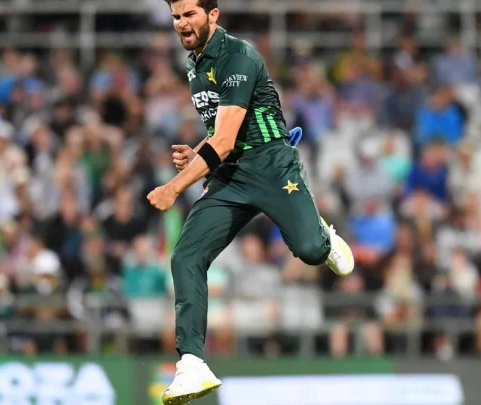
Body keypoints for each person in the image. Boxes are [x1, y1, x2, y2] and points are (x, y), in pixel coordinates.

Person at [147, 0, 355, 403]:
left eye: (189, 14)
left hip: (273, 166)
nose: (181, 24)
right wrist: (198, 156)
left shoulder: (238, 56)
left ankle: (324, 238)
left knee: (310, 252)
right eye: (175, 16)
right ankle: (191, 362)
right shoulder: (195, 64)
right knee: (185, 256)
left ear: (213, 14)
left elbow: (225, 141)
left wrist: (176, 185)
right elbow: (220, 133)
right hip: (231, 175)